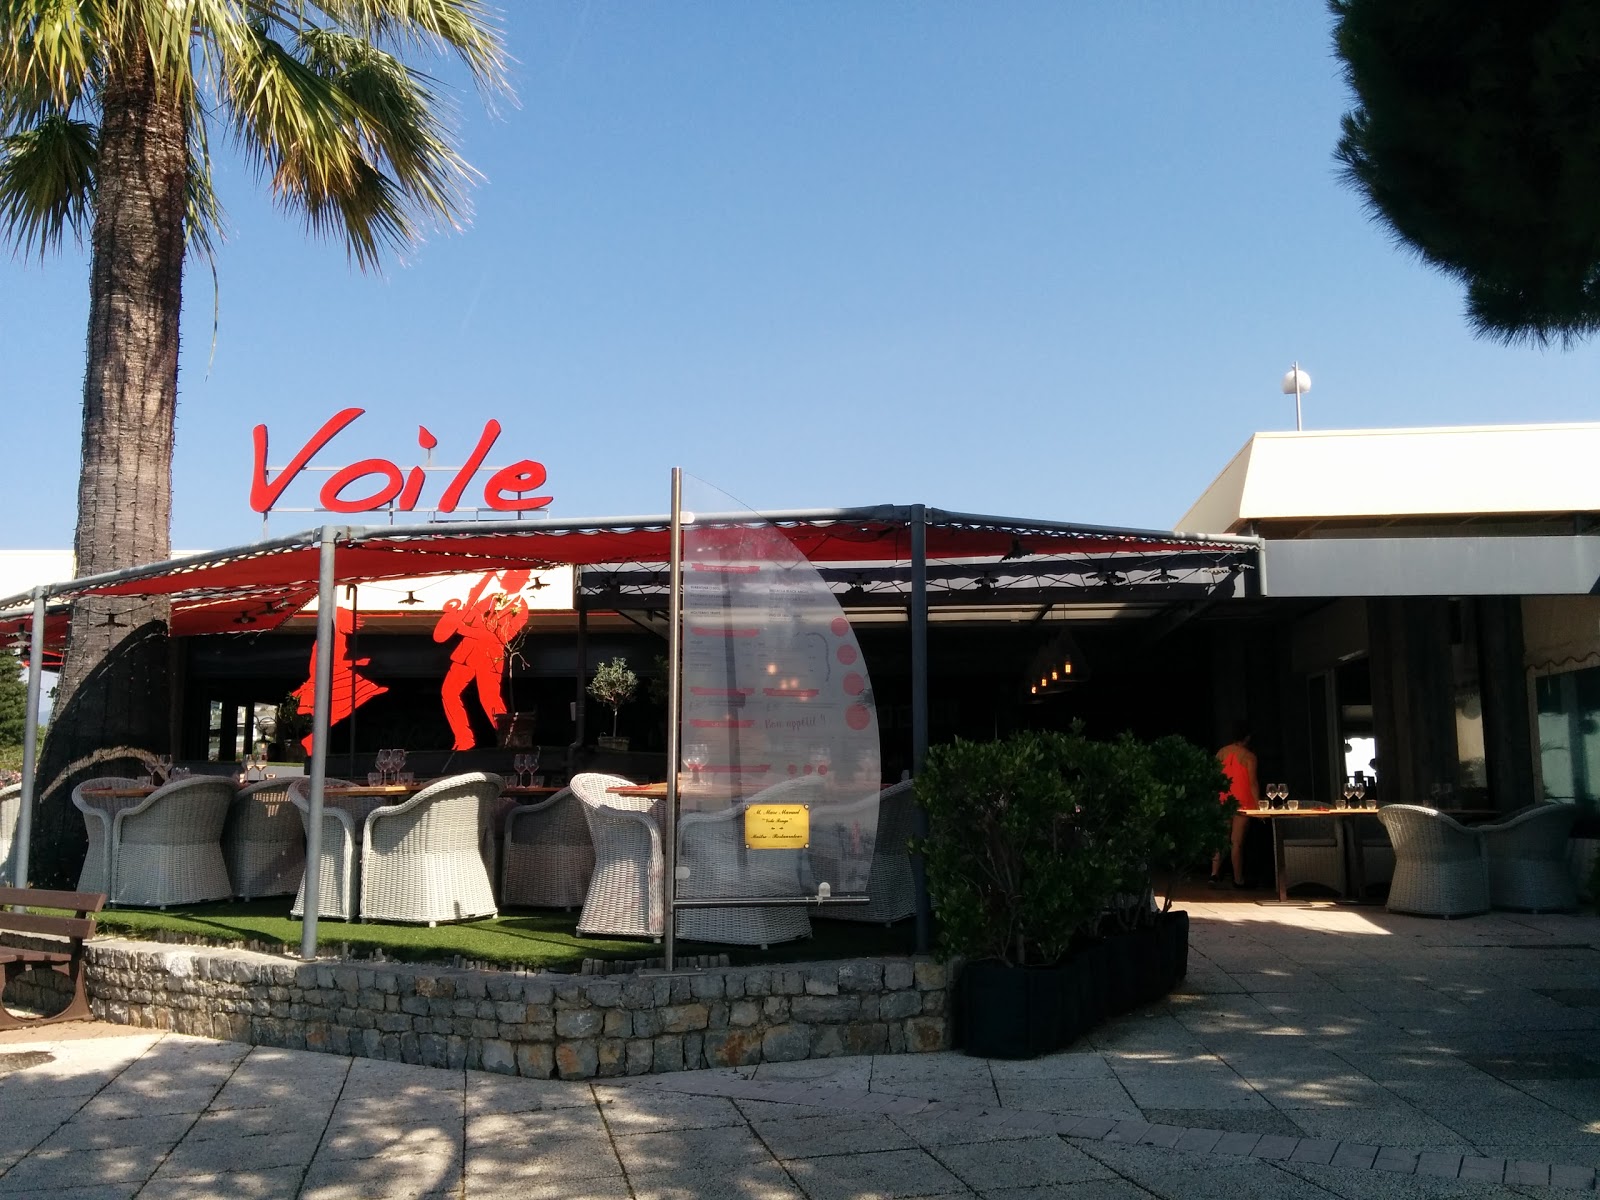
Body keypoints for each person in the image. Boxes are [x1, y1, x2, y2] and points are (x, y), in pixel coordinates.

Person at [1211, 721, 1259, 888]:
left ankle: (1214, 874)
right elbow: (1253, 783)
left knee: (1221, 839)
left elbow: (1214, 778)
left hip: (1223, 800)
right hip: (1242, 802)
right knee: (1236, 842)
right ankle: (1238, 879)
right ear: (1247, 738)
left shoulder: (1221, 753)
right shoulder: (1249, 757)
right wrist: (1258, 805)